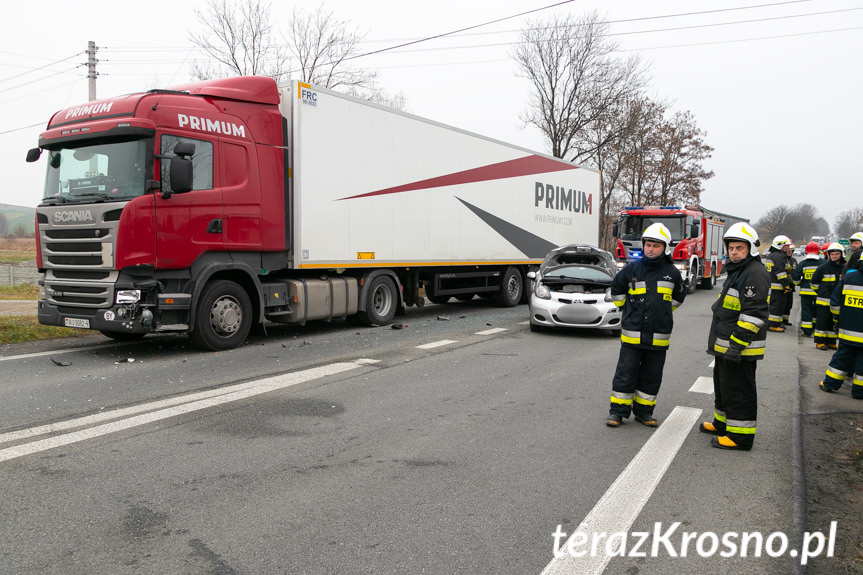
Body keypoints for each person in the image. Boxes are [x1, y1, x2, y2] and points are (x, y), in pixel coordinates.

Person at [606, 222, 687, 428]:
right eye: (648, 244)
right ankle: (617, 412)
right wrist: (630, 309)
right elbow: (616, 291)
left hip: (659, 335)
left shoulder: (672, 273)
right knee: (625, 374)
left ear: (665, 248)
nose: (650, 249)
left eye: (655, 246)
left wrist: (662, 313)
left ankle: (643, 412)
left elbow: (678, 298)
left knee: (652, 377)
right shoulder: (632, 269)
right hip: (632, 334)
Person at [700, 222, 770, 450]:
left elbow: (754, 314)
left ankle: (740, 437)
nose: (734, 252)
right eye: (731, 248)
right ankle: (723, 424)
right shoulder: (738, 269)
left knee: (739, 391)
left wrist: (736, 346)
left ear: (751, 248)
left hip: (741, 347)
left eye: (739, 248)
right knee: (724, 387)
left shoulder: (754, 273)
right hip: (727, 345)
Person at [819, 249, 863, 398]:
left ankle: (829, 384)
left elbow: (835, 304)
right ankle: (859, 392)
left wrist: (838, 321)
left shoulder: (849, 278)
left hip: (847, 330)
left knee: (842, 357)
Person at [811, 243, 846, 350]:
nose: (834, 256)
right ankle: (820, 342)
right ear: (829, 255)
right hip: (823, 301)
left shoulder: (845, 268)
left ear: (841, 254)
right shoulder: (823, 268)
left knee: (833, 323)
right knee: (822, 322)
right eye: (832, 254)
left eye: (836, 254)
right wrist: (822, 292)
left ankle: (831, 341)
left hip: (837, 302)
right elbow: (813, 283)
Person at [793, 241, 822, 337]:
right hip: (819, 292)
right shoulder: (823, 263)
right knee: (818, 311)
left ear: (806, 252)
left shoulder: (803, 264)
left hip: (805, 292)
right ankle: (815, 328)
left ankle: (806, 331)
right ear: (818, 251)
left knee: (806, 310)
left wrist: (800, 283)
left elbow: (795, 278)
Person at [764, 235, 791, 332]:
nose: (787, 248)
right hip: (778, 286)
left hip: (770, 285)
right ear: (780, 245)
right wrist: (786, 284)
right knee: (777, 306)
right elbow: (781, 273)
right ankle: (773, 325)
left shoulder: (771, 255)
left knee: (773, 305)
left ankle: (774, 323)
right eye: (786, 246)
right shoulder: (779, 257)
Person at [782, 242, 796, 326]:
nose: (790, 252)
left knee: (789, 304)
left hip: (791, 285)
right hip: (783, 285)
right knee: (782, 304)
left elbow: (796, 271)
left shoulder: (793, 260)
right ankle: (780, 320)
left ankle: (785, 320)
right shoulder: (782, 259)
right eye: (788, 250)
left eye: (791, 251)